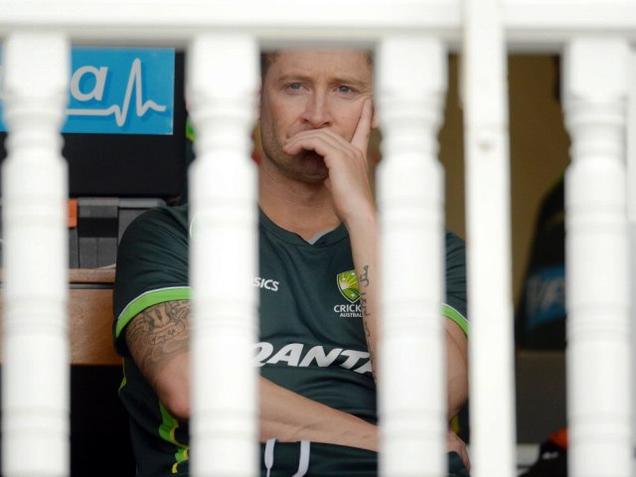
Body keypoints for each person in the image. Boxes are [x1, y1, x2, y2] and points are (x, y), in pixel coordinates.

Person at [113, 49, 470, 477]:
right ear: (256, 99)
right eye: (295, 86)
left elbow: (428, 400)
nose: (317, 114)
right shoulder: (170, 233)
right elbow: (192, 387)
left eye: (344, 90)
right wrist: (381, 441)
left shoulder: (432, 251)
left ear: (377, 110)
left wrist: (360, 216)